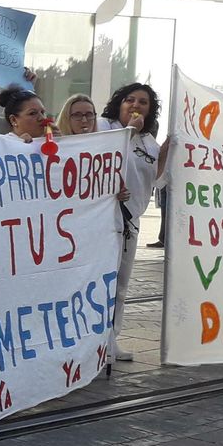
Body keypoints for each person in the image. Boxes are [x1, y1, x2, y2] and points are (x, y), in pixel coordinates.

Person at [101, 83, 163, 361]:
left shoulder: (150, 142)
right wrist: (129, 133)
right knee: (99, 282)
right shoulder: (105, 127)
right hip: (101, 221)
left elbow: (156, 180)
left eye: (143, 102)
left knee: (120, 286)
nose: (135, 106)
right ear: (120, 103)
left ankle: (111, 339)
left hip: (130, 223)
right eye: (130, 100)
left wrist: (168, 151)